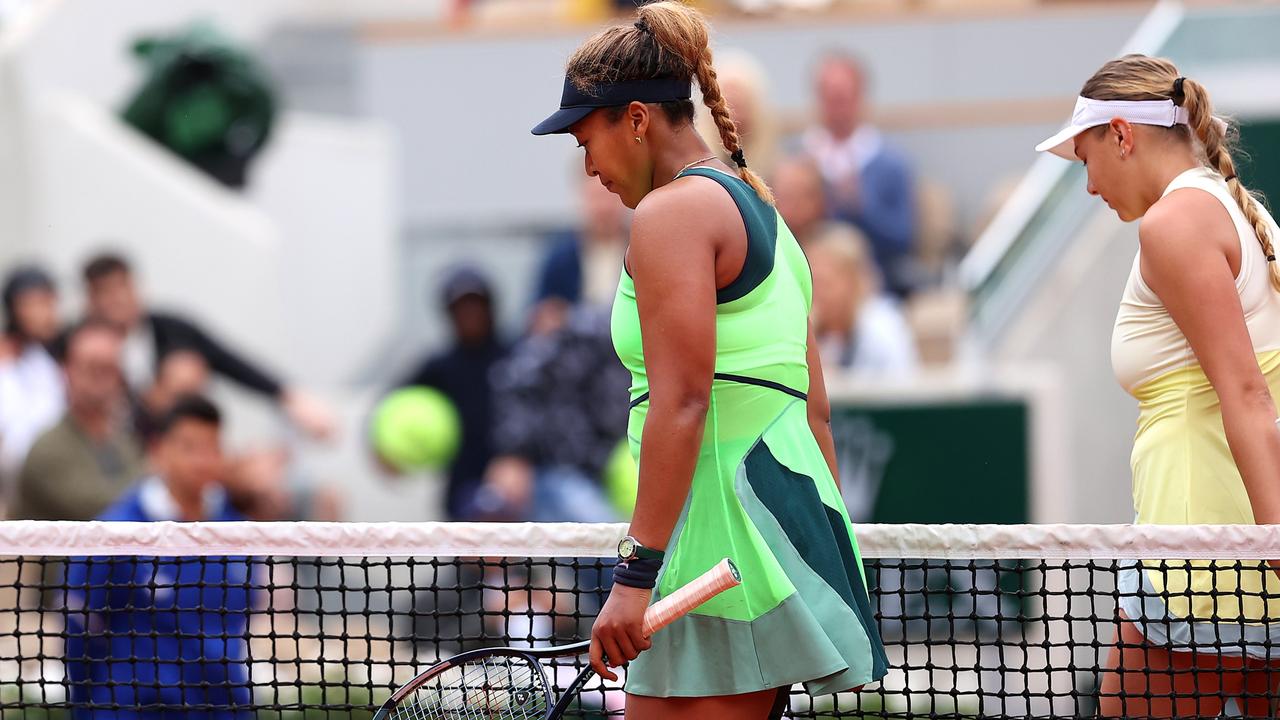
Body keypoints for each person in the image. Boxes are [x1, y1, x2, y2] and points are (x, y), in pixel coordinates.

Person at [530, 3, 887, 717]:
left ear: (636, 119)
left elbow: (685, 402)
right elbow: (814, 411)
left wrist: (635, 576)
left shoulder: (672, 214)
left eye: (585, 140)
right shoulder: (769, 215)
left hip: (723, 539)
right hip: (777, 525)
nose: (589, 166)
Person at [1036, 54, 1280, 717]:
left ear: (1121, 134)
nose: (1088, 187)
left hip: (1201, 558)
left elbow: (1248, 395)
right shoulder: (1230, 209)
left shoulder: (1176, 223)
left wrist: (1276, 541)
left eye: (1085, 160)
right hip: (1237, 549)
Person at [64, 394, 256, 719]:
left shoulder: (239, 532)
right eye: (189, 447)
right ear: (159, 451)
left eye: (212, 448)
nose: (203, 460)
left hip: (222, 707)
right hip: (133, 709)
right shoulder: (116, 532)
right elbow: (80, 630)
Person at [81, 253, 335, 441]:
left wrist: (288, 395)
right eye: (105, 292)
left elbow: (230, 361)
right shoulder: (78, 343)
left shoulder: (174, 329)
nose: (117, 300)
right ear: (90, 300)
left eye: (122, 287)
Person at [390, 265, 508, 520]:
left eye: (476, 304)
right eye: (460, 307)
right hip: (459, 492)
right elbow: (388, 407)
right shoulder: (438, 367)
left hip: (513, 491)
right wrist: (384, 451)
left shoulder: (518, 358)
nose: (469, 314)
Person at [802, 52, 917, 297]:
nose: (837, 108)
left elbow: (902, 240)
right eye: (829, 98)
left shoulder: (890, 164)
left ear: (861, 98)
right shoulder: (799, 160)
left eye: (843, 98)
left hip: (874, 290)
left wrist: (861, 206)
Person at [10, 319, 144, 521]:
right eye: (91, 368)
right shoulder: (48, 449)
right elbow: (101, 512)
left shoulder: (124, 441)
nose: (101, 379)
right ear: (66, 370)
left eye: (109, 369)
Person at [807, 224, 917, 376]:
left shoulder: (882, 327)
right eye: (812, 283)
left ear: (853, 283)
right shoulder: (812, 330)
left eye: (825, 283)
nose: (817, 294)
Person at [532, 175, 630, 335]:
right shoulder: (560, 255)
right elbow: (538, 312)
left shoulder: (642, 246)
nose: (604, 208)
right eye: (596, 198)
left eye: (610, 198)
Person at [0, 266, 66, 488]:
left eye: (50, 303)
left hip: (50, 475)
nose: (46, 314)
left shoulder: (47, 362)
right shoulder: (6, 363)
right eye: (35, 304)